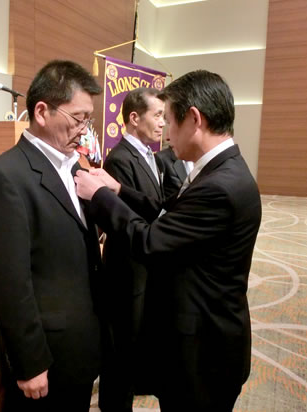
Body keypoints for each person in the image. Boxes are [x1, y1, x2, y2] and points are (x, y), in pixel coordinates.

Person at [74, 70, 262, 411]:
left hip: (203, 354)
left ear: (195, 119)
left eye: (170, 121)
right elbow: (168, 213)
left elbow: (151, 241)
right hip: (202, 338)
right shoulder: (221, 170)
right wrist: (119, 189)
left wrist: (99, 195)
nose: (166, 132)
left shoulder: (219, 187)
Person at [0, 60, 103, 412]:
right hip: (44, 354)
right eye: (78, 119)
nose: (84, 131)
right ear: (42, 112)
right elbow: (7, 284)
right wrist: (30, 362)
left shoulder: (73, 167)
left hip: (78, 344)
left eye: (88, 120)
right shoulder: (4, 178)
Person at [99, 88, 165, 412]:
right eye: (158, 115)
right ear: (135, 118)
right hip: (126, 266)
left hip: (144, 260)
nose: (163, 123)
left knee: (137, 336)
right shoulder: (119, 159)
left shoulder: (151, 155)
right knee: (121, 344)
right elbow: (136, 213)